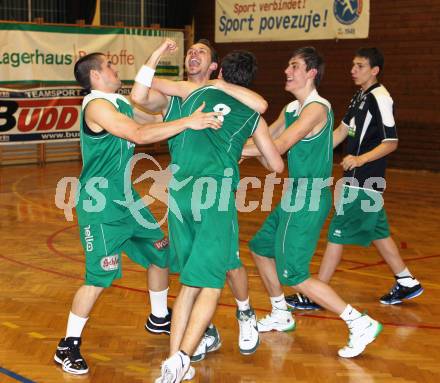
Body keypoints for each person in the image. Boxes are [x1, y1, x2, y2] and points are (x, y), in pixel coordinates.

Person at [53, 52, 222, 375]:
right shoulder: (97, 106)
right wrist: (188, 121)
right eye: (110, 66)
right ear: (96, 77)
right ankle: (67, 345)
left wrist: (196, 121)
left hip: (126, 199)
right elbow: (138, 135)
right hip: (100, 206)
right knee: (98, 279)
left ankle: (159, 317)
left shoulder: (118, 103)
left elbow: (156, 124)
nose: (116, 70)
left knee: (160, 254)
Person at [131, 38, 267, 359]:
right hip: (182, 192)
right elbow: (138, 94)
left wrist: (238, 153)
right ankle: (204, 332)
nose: (193, 54)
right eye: (190, 51)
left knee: (230, 264)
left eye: (201, 52)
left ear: (215, 67)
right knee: (192, 269)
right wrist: (157, 56)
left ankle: (246, 313)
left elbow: (259, 110)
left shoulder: (228, 96)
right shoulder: (173, 98)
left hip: (214, 192)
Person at [243, 47, 382, 358]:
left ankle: (359, 321)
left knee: (294, 274)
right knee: (260, 248)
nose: (287, 71)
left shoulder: (316, 109)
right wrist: (235, 144)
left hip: (307, 199)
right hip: (293, 196)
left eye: (294, 66)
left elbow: (278, 145)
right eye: (288, 65)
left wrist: (231, 149)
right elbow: (266, 138)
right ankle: (281, 312)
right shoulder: (293, 107)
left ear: (311, 73)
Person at [153, 50, 284, 382]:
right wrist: (241, 149)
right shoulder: (253, 114)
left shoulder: (195, 94)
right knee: (211, 283)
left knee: (188, 284)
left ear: (221, 70)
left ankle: (173, 360)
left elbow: (151, 93)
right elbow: (277, 165)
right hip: (214, 197)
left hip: (179, 195)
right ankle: (183, 357)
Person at [286, 47, 423, 310]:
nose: (353, 70)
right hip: (354, 178)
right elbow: (341, 131)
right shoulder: (358, 96)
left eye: (359, 66)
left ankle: (317, 294)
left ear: (375, 70)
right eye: (353, 65)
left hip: (365, 178)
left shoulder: (380, 97)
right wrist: (316, 148)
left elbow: (391, 142)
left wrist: (359, 160)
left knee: (337, 233)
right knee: (379, 231)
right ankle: (406, 280)